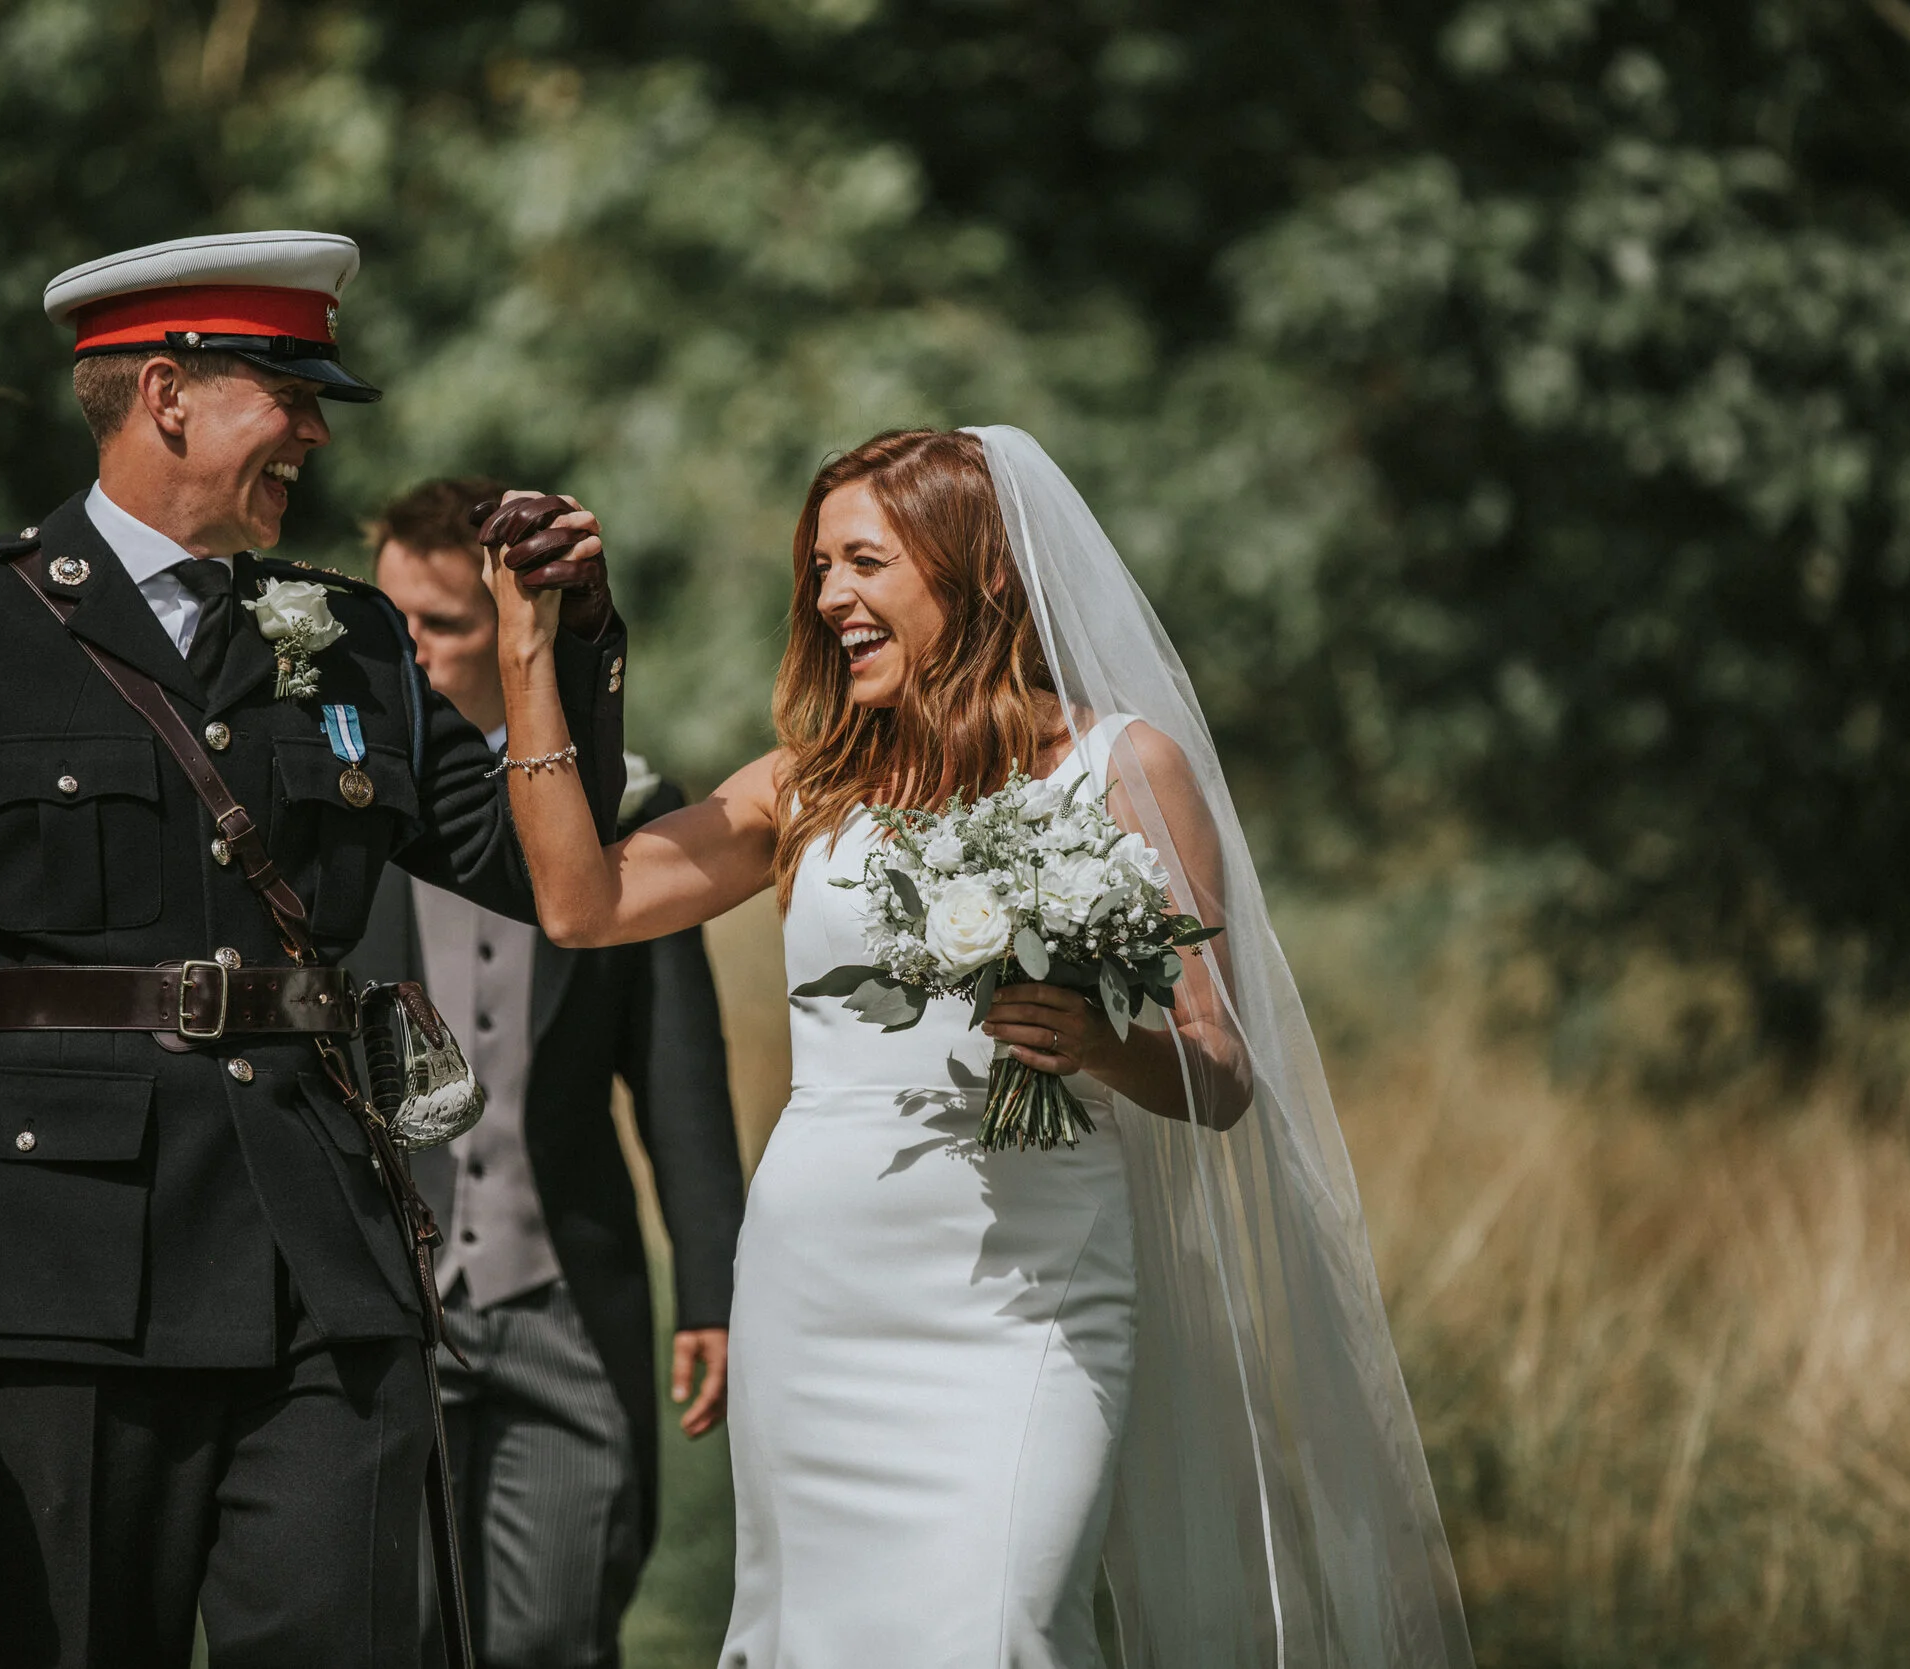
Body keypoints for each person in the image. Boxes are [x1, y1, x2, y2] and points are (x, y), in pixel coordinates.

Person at [0, 230, 627, 1669]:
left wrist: (565, 643)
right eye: (290, 392)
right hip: (59, 1270)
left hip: (321, 1261)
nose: (319, 435)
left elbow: (534, 859)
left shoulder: (355, 638)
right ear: (168, 396)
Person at [478, 427, 1475, 1667]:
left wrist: (1103, 1049)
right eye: (819, 568)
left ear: (979, 573)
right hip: (817, 1284)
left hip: (1030, 1292)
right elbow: (581, 903)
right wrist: (528, 652)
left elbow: (1220, 1076)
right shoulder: (805, 786)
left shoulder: (1122, 768)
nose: (830, 596)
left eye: (864, 561)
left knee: (1001, 1623)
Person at [350, 476, 746, 1669]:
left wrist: (715, 1289)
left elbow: (677, 1074)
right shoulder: (335, 801)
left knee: (557, 1634)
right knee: (384, 1634)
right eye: (391, 620)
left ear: (511, 627)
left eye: (444, 625)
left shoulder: (634, 811)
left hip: (563, 1292)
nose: (407, 651)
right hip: (380, 1299)